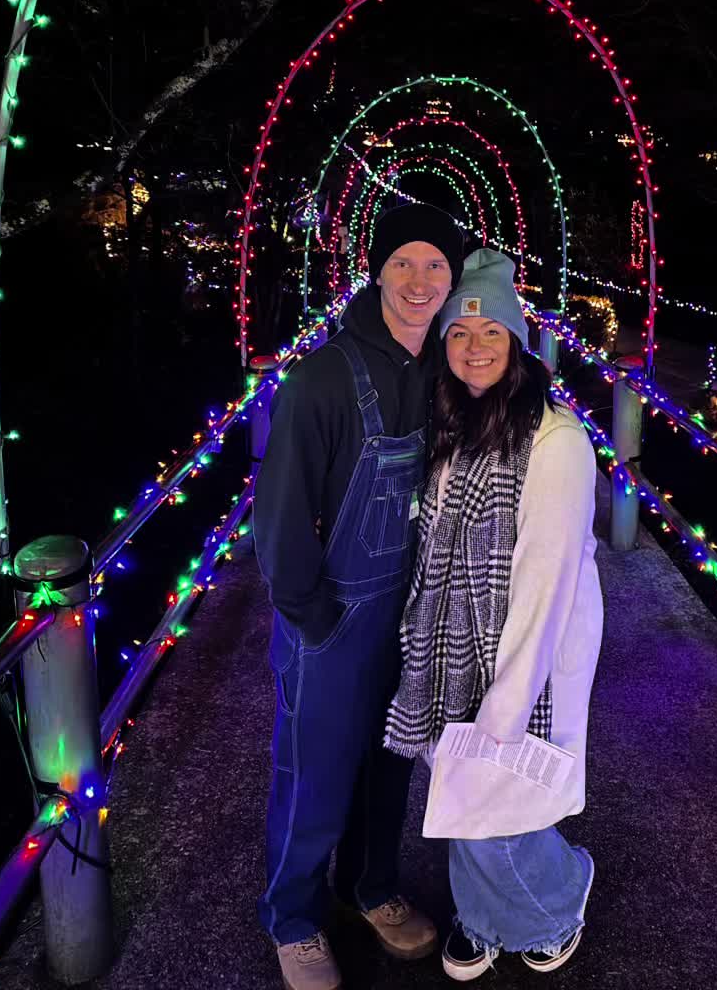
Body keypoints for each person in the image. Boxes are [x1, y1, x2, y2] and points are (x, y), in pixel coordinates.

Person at [253, 202, 465, 990]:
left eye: (436, 265)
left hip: (408, 617)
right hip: (334, 618)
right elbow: (278, 517)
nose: (418, 281)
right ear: (376, 269)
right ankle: (295, 919)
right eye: (403, 262)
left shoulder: (443, 370)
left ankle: (370, 888)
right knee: (313, 774)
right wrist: (310, 614)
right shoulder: (321, 378)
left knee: (389, 766)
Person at [384, 248, 602, 980]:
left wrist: (506, 706)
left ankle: (557, 897)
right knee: (461, 784)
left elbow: (546, 582)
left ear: (516, 345)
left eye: (492, 335)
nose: (475, 349)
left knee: (503, 797)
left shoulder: (557, 440)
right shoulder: (458, 423)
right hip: (452, 640)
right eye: (460, 335)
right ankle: (481, 917)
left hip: (529, 646)